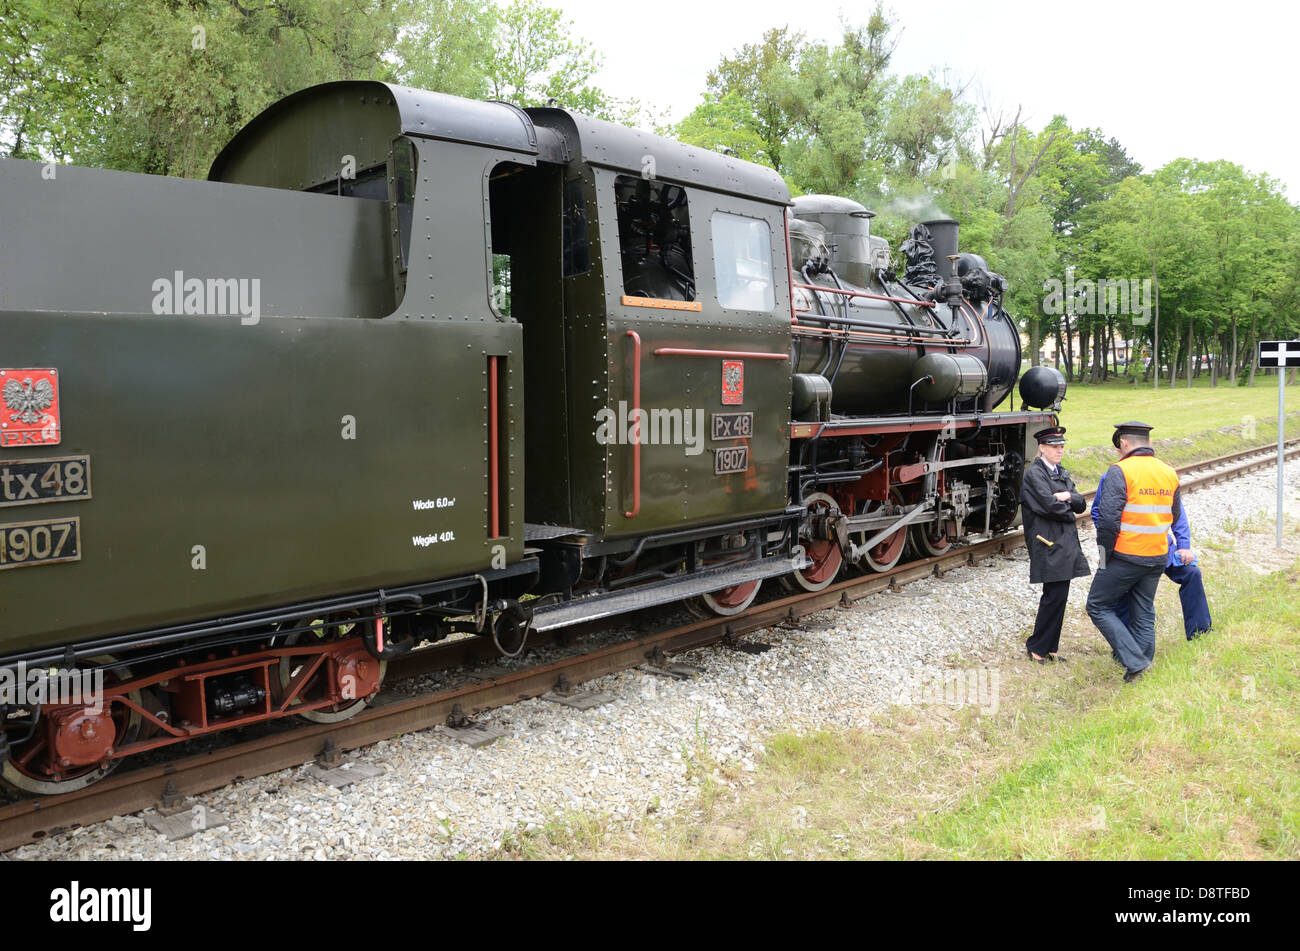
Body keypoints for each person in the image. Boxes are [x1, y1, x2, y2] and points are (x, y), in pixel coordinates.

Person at [1086, 421, 1183, 683]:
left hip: (1127, 556)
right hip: (1158, 555)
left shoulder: (1121, 471)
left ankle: (1135, 662)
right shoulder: (1168, 472)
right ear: (1148, 443)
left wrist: (1105, 555)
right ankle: (1142, 661)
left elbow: (1107, 521)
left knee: (1097, 605)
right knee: (1143, 608)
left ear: (1125, 444)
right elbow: (1174, 515)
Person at [1090, 471, 1212, 640]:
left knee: (1191, 573)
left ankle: (1200, 633)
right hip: (1129, 549)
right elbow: (1097, 513)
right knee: (1124, 589)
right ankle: (1127, 646)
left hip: (1160, 547)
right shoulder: (1115, 475)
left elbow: (1177, 514)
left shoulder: (1161, 474)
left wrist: (1184, 546)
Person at [1019, 425, 1090, 664]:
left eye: (1062, 446)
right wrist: (1068, 506)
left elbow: (1081, 503)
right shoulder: (1034, 474)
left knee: (1060, 595)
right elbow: (1049, 506)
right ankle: (1037, 647)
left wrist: (1068, 497)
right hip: (1048, 542)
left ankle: (1050, 647)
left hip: (1063, 541)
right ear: (1041, 448)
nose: (1059, 450)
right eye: (1054, 446)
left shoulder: (1061, 472)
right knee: (1053, 595)